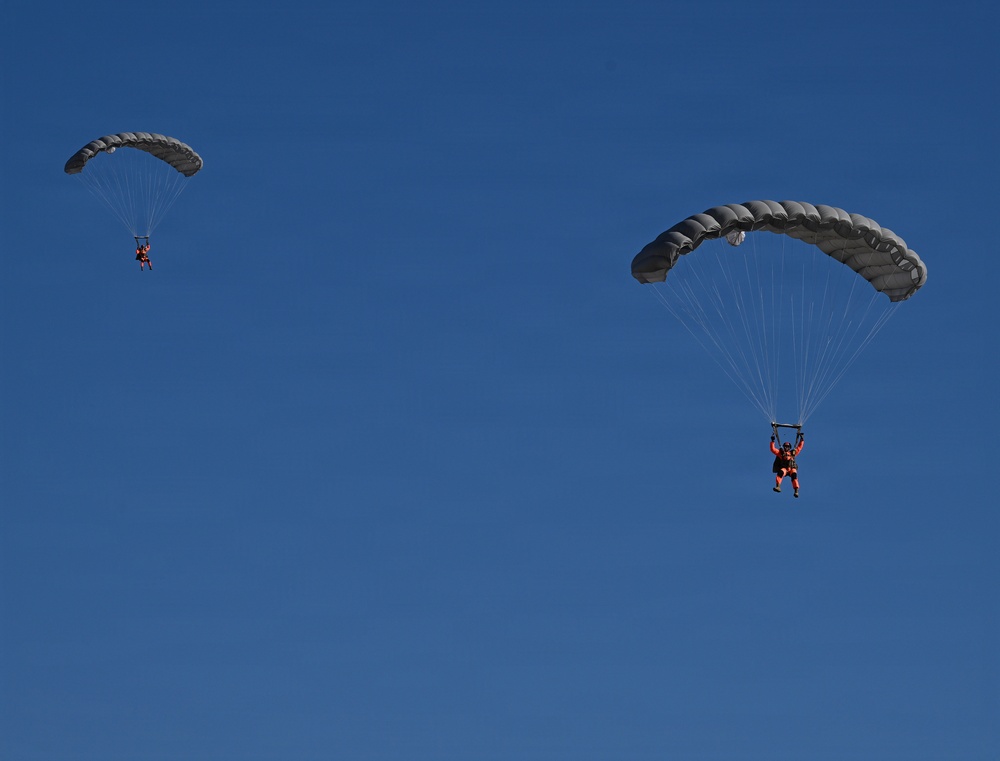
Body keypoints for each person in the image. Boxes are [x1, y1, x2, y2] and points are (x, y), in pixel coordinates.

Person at [770, 432, 804, 497]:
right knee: (780, 473)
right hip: (785, 468)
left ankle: (796, 491)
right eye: (785, 446)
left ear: (789, 448)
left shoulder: (792, 453)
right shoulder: (781, 453)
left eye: (788, 447)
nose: (786, 448)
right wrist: (772, 441)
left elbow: (799, 447)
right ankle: (778, 486)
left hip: (792, 468)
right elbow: (773, 449)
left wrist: (802, 439)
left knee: (794, 476)